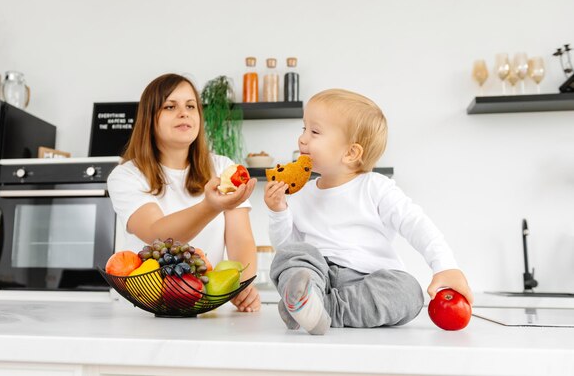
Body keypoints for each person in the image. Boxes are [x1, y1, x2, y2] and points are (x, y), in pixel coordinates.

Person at [264, 89, 472, 334]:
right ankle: (309, 300)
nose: (302, 139)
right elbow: (286, 247)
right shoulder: (299, 194)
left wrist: (445, 266)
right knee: (294, 256)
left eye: (315, 132)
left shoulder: (376, 187)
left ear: (351, 153)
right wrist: (278, 212)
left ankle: (319, 309)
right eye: (303, 129)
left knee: (409, 291)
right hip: (317, 276)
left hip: (367, 281)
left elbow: (416, 224)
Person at [108, 73, 260, 312]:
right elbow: (155, 234)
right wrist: (210, 206)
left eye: (191, 106)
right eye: (170, 106)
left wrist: (243, 286)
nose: (184, 112)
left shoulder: (222, 168)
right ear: (149, 118)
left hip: (208, 308)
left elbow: (241, 239)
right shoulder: (126, 176)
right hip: (145, 310)